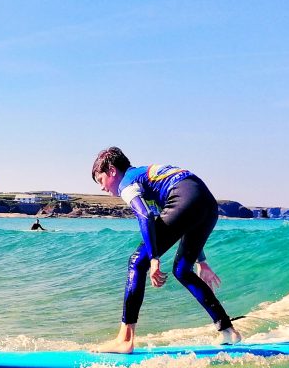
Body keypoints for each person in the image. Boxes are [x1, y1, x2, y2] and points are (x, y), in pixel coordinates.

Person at [90, 147, 241, 353]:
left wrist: (153, 258)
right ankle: (228, 331)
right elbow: (187, 214)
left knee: (137, 261)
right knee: (182, 270)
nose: (102, 188)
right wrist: (201, 262)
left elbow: (144, 216)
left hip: (185, 198)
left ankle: (125, 340)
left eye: (100, 180)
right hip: (207, 203)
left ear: (112, 171)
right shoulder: (147, 178)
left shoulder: (127, 182)